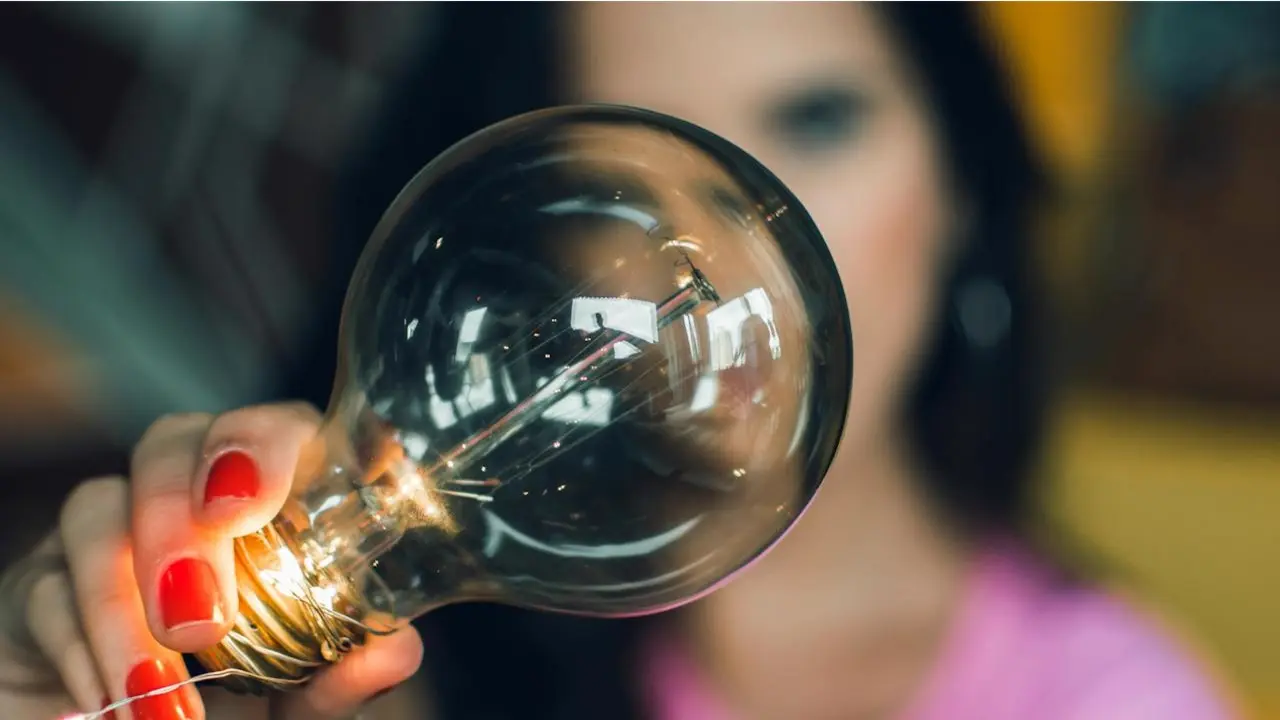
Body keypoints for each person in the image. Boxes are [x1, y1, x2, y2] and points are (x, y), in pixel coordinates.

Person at [0, 4, 1236, 720]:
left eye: (817, 116)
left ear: (959, 179)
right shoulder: (443, 672)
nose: (730, 241)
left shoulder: (1111, 698)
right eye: (637, 169)